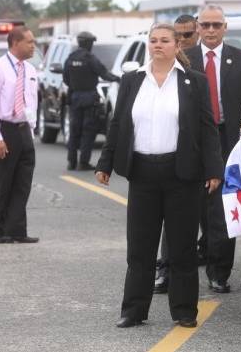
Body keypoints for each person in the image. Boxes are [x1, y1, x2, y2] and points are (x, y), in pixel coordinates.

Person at [95, 23, 223, 328]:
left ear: (177, 45)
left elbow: (207, 128)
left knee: (181, 248)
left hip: (182, 175)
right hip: (142, 173)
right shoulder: (132, 81)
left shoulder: (193, 82)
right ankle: (133, 310)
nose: (158, 45)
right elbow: (118, 125)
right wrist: (105, 162)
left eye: (165, 40)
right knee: (140, 247)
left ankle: (183, 311)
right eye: (153, 41)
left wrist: (214, 169)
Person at [185, 5, 241, 293]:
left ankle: (218, 272)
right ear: (197, 27)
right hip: (190, 142)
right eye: (205, 25)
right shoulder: (185, 59)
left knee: (224, 207)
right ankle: (169, 268)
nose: (210, 30)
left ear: (225, 27)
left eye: (216, 25)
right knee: (186, 205)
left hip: (227, 141)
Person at [153, 14, 203, 295]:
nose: (183, 40)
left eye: (187, 34)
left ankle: (214, 264)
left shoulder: (221, 61)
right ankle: (166, 269)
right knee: (174, 221)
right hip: (177, 153)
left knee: (212, 217)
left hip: (215, 145)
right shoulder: (172, 65)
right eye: (179, 35)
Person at [0, 26, 39, 244]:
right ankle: (0, 231)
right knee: (4, 182)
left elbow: (32, 101)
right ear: (15, 43)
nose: (33, 46)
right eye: (30, 42)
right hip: (4, 129)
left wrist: (31, 131)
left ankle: (17, 230)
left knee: (23, 183)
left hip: (24, 130)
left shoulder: (31, 70)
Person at [63, 31, 120, 171]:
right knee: (88, 131)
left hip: (75, 97)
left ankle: (71, 162)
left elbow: (65, 79)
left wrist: (75, 87)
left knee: (74, 130)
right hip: (89, 98)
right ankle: (83, 162)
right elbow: (104, 74)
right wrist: (119, 79)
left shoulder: (70, 58)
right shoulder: (90, 58)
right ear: (89, 43)